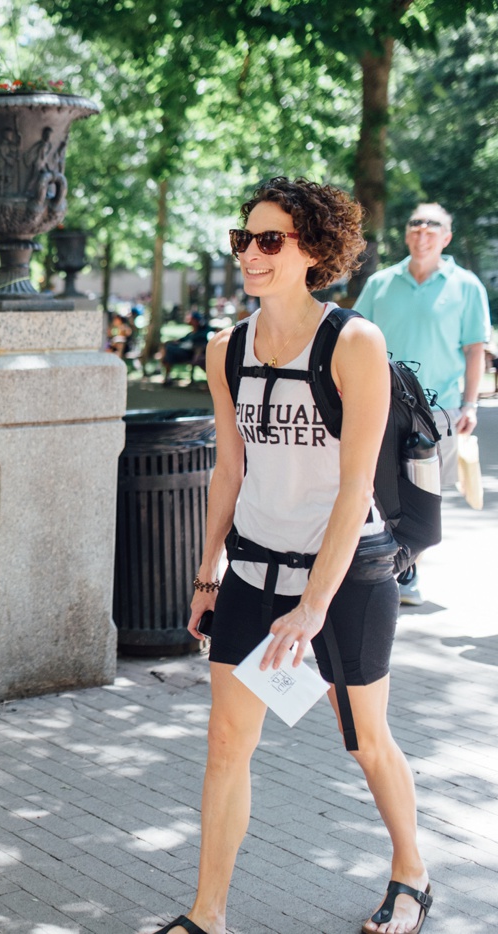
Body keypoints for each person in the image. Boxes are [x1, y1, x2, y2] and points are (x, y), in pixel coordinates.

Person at [157, 178, 431, 934]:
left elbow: (354, 488)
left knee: (363, 739)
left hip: (346, 575)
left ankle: (412, 871)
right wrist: (209, 570)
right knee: (224, 744)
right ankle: (206, 913)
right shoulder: (227, 349)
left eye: (269, 240)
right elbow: (231, 469)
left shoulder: (354, 343)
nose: (251, 253)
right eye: (243, 239)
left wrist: (313, 606)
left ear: (314, 250)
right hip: (251, 569)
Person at [352, 202, 490, 605]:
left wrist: (470, 404)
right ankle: (396, 564)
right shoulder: (381, 283)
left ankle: (407, 563)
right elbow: (355, 336)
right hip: (382, 401)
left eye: (433, 225)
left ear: (446, 237)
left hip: (439, 408)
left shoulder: (466, 286)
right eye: (415, 223)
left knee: (426, 492)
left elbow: (475, 350)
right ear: (407, 232)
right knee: (378, 484)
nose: (423, 230)